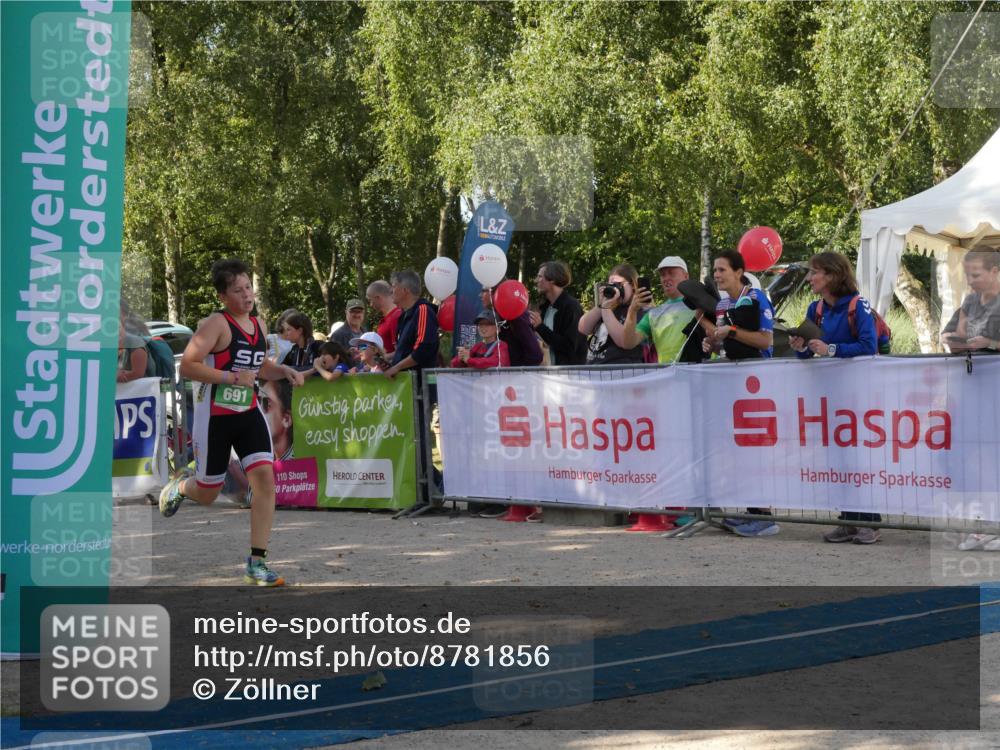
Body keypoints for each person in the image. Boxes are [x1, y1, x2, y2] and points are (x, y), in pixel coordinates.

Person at [158, 258, 304, 587]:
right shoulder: (215, 324)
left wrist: (284, 371)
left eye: (249, 287)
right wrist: (231, 376)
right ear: (223, 296)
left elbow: (260, 367)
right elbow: (189, 367)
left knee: (265, 481)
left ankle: (257, 562)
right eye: (237, 290)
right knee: (208, 493)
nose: (247, 295)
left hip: (248, 412)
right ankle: (182, 485)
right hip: (215, 417)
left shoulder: (260, 325)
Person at [788, 252, 881, 544]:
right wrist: (800, 347)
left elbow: (869, 345)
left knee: (859, 457)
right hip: (829, 396)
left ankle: (870, 522)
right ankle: (848, 519)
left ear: (831, 275)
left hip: (860, 395)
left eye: (814, 272)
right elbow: (806, 353)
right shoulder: (815, 308)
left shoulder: (858, 304)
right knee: (836, 457)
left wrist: (830, 350)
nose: (809, 278)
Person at [703, 249, 778, 538]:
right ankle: (751, 510)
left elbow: (765, 339)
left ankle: (765, 516)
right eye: (715, 270)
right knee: (738, 449)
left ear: (738, 271)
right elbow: (727, 343)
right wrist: (712, 345)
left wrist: (730, 332)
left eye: (722, 270)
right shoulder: (722, 304)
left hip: (758, 381)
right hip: (732, 382)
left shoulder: (757, 298)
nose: (717, 275)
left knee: (756, 448)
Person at [384, 270, 440, 508]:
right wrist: (387, 359)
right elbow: (405, 350)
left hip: (420, 384)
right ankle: (420, 490)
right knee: (412, 437)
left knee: (424, 438)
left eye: (392, 286)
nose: (391, 291)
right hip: (406, 387)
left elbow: (424, 349)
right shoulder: (404, 315)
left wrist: (397, 366)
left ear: (405, 290)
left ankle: (432, 491)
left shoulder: (424, 310)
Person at [622, 255, 706, 364]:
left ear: (686, 276)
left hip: (701, 375)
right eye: (662, 275)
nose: (666, 278)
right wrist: (632, 311)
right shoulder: (654, 313)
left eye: (671, 273)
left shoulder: (702, 305)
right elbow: (628, 343)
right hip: (668, 377)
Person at [578, 263, 645, 365]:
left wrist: (606, 309)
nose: (614, 289)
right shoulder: (608, 307)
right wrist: (600, 305)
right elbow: (583, 328)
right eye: (610, 285)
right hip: (595, 371)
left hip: (621, 372)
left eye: (618, 285)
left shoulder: (638, 311)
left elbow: (623, 341)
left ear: (632, 285)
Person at [943, 247, 1000, 356]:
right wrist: (955, 343)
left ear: (994, 272)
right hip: (971, 370)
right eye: (967, 275)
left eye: (975, 275)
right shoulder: (969, 301)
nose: (969, 282)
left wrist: (989, 343)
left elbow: (987, 343)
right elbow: (959, 339)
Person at [528, 261, 586, 365]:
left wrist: (540, 327)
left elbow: (569, 346)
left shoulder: (571, 307)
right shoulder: (546, 307)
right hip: (551, 375)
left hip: (569, 376)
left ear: (552, 279)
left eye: (540, 277)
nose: (536, 281)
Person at [480, 285, 543, 366]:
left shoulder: (515, 314)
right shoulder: (496, 313)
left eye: (483, 291)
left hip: (517, 375)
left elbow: (535, 356)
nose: (480, 295)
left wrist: (515, 372)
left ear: (495, 291)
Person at [366, 280, 402, 358]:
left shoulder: (396, 316)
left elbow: (400, 352)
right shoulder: (388, 318)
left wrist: (380, 359)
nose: (370, 305)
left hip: (395, 369)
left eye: (370, 300)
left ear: (378, 298)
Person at [330, 299, 367, 366]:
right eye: (352, 311)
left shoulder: (366, 334)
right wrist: (347, 353)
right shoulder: (338, 335)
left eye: (359, 312)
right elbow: (331, 361)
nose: (356, 314)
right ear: (346, 312)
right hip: (349, 375)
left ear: (363, 313)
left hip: (367, 374)